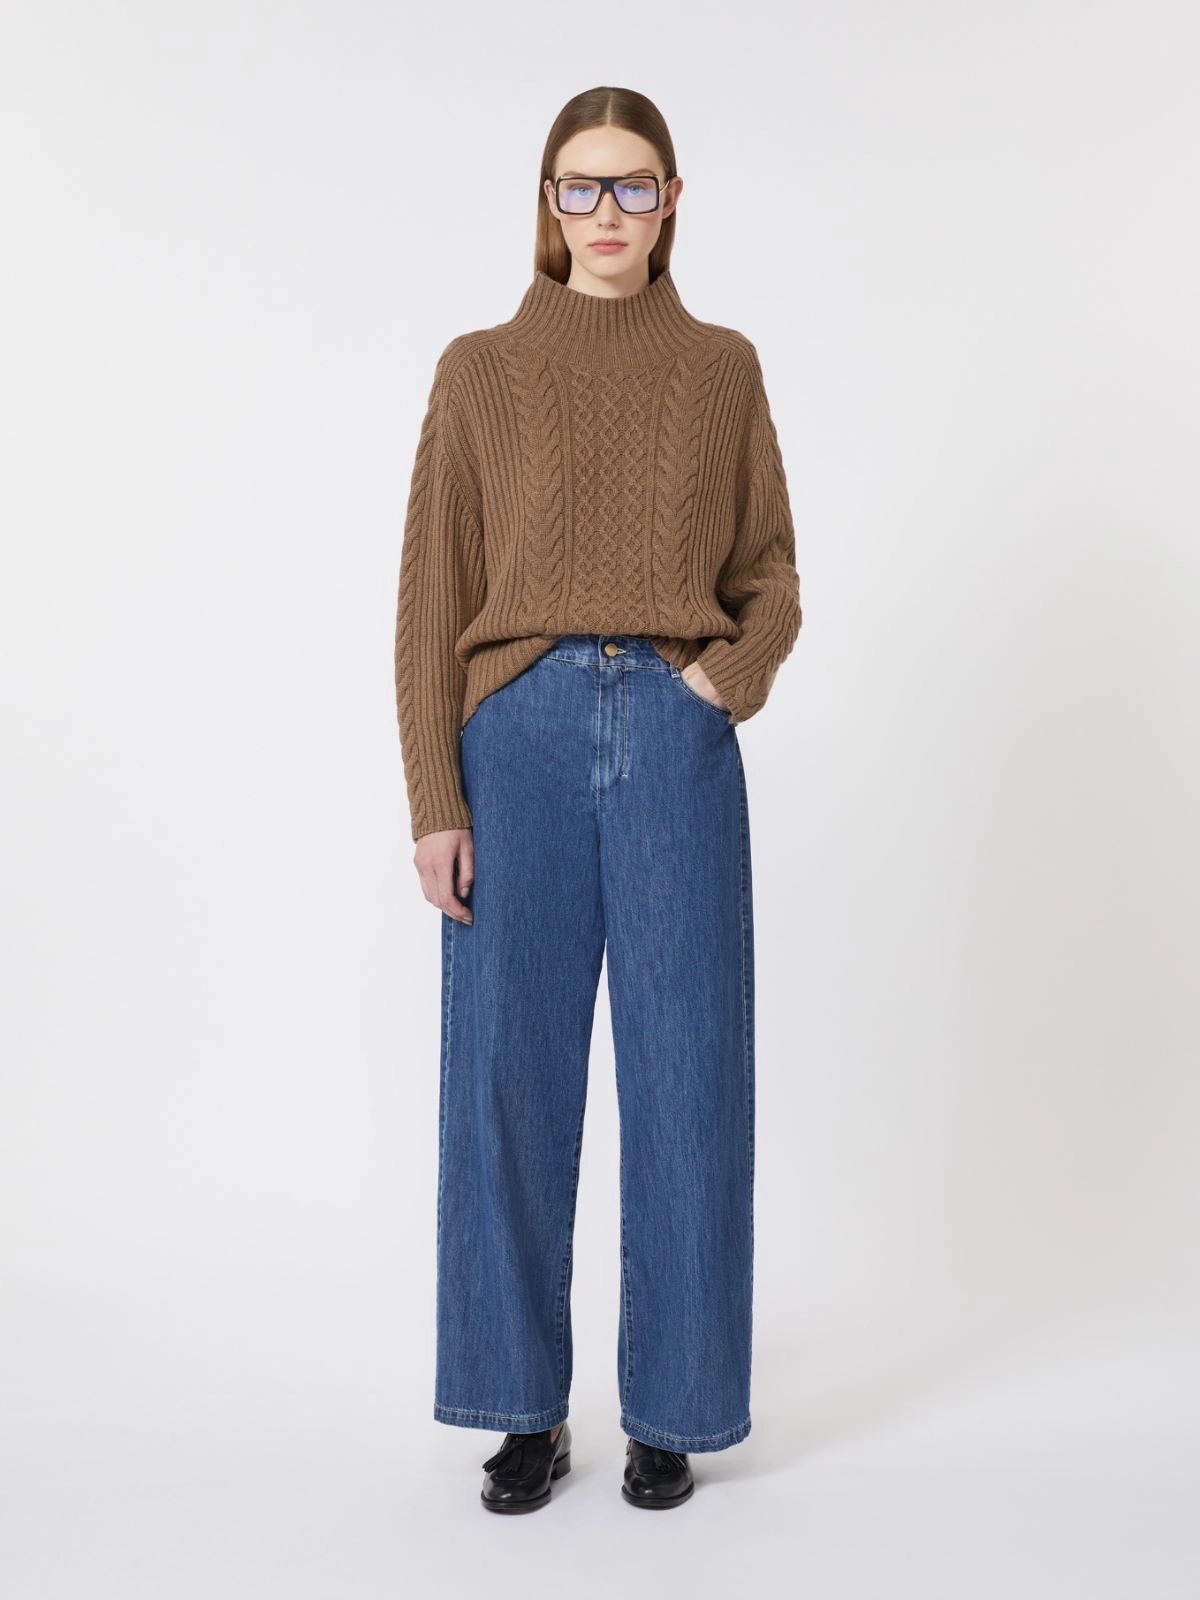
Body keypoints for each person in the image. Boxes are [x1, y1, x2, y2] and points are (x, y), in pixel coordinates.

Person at [393, 85, 802, 1514]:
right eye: (582, 186)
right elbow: (432, 596)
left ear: (672, 200)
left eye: (633, 186)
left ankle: (672, 1409)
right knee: (506, 1082)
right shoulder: (480, 371)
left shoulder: (723, 370)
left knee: (688, 1078)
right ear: (548, 202)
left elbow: (772, 574)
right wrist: (434, 795)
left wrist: (718, 687)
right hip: (515, 739)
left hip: (677, 743)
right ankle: (520, 1408)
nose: (607, 212)